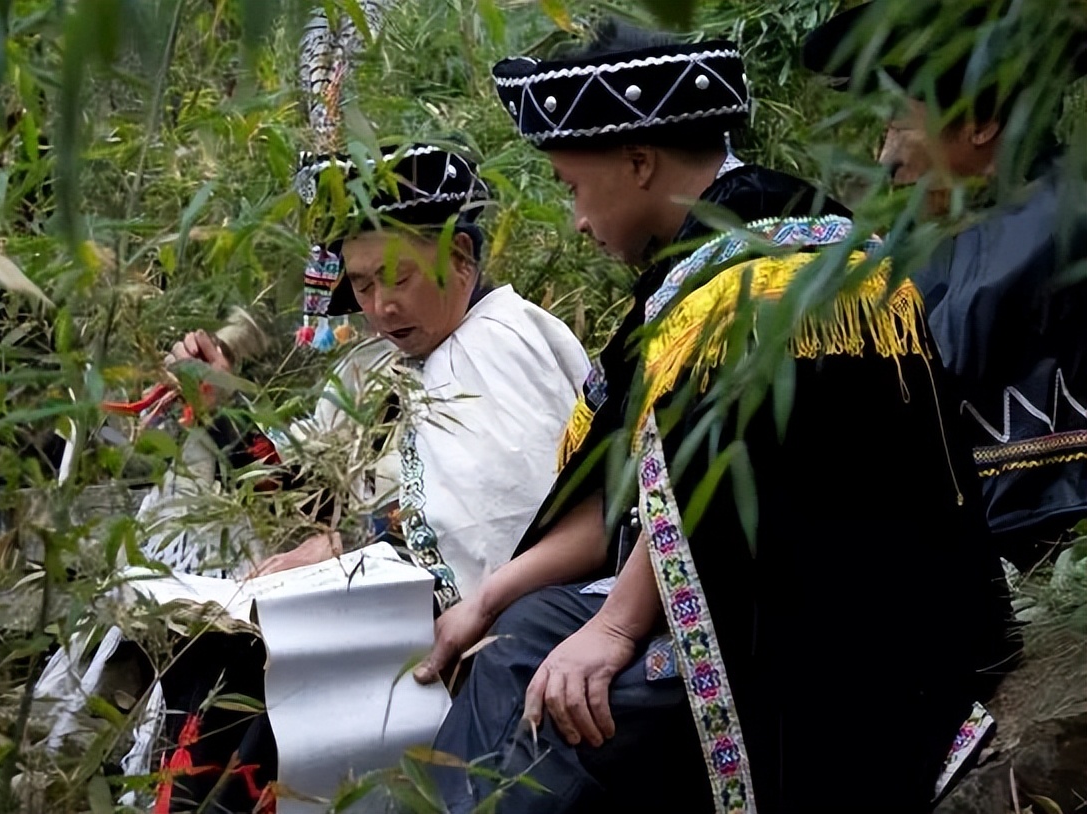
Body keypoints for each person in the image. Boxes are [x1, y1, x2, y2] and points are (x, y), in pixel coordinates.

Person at [423, 19, 1019, 814]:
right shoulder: (694, 269)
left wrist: (613, 631)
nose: (575, 219)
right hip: (718, 591)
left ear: (639, 162)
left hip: (837, 625)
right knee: (513, 646)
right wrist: (489, 598)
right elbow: (629, 484)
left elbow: (720, 473)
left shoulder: (774, 265)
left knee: (570, 719)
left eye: (572, 187)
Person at [134, 141, 591, 812]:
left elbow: (493, 530)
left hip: (469, 641)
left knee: (262, 699)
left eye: (398, 277)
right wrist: (220, 407)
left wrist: (352, 545)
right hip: (373, 620)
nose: (378, 306)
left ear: (461, 257)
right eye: (363, 284)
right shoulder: (375, 368)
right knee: (216, 659)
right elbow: (302, 497)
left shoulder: (503, 345)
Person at [803, 0, 1087, 565]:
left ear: (981, 122)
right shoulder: (944, 238)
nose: (885, 157)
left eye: (899, 123)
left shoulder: (1056, 226)